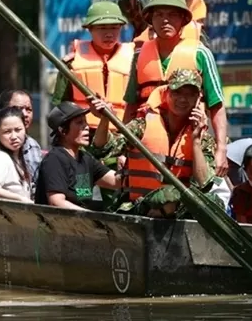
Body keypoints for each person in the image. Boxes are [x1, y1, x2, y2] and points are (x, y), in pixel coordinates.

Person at [122, 0, 229, 176]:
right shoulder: (139, 55)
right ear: (150, 20)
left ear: (183, 20)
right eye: (160, 14)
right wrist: (124, 149)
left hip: (191, 142)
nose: (165, 20)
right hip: (148, 142)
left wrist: (221, 149)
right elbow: (131, 105)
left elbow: (216, 105)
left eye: (172, 15)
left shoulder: (200, 53)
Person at [90, 69, 220, 219]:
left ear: (198, 99)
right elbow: (104, 148)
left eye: (190, 94)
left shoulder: (203, 138)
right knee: (166, 196)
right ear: (166, 93)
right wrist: (105, 118)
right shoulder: (143, 124)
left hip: (177, 213)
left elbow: (203, 183)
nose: (183, 99)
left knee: (213, 202)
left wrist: (196, 141)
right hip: (139, 207)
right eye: (177, 93)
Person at [50, 0, 135, 136]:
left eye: (114, 27)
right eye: (102, 28)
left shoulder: (134, 60)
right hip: (84, 133)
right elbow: (60, 105)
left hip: (123, 133)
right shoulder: (71, 63)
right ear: (90, 29)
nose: (109, 34)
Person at [35, 101, 124, 211]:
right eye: (79, 122)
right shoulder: (54, 159)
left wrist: (127, 165)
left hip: (82, 225)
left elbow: (116, 182)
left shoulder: (85, 159)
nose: (86, 127)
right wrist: (92, 219)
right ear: (62, 130)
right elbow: (56, 202)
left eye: (85, 122)